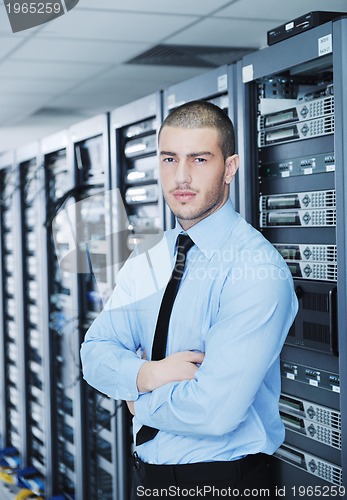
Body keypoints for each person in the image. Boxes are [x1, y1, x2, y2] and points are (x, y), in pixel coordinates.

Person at [80, 100, 298, 499]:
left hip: (226, 482)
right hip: (147, 476)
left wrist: (134, 399)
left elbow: (215, 411)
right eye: (169, 159)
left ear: (229, 167)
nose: (181, 176)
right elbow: (94, 353)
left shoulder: (256, 270)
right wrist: (150, 375)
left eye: (199, 159)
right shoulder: (149, 257)